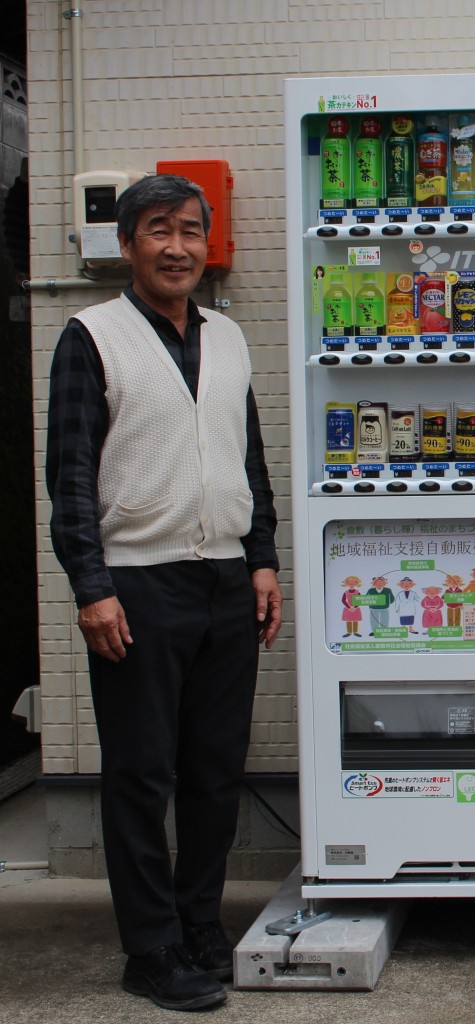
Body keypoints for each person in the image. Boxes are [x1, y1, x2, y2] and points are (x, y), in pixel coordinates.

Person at [45, 175, 283, 1010]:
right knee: (142, 775)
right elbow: (70, 474)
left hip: (226, 578)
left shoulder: (229, 336)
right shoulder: (91, 336)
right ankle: (149, 948)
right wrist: (91, 585)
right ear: (127, 245)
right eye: (157, 230)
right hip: (136, 584)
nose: (176, 246)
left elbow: (248, 456)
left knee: (215, 770)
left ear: (205, 244)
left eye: (189, 230)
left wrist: (262, 558)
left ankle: (199, 924)